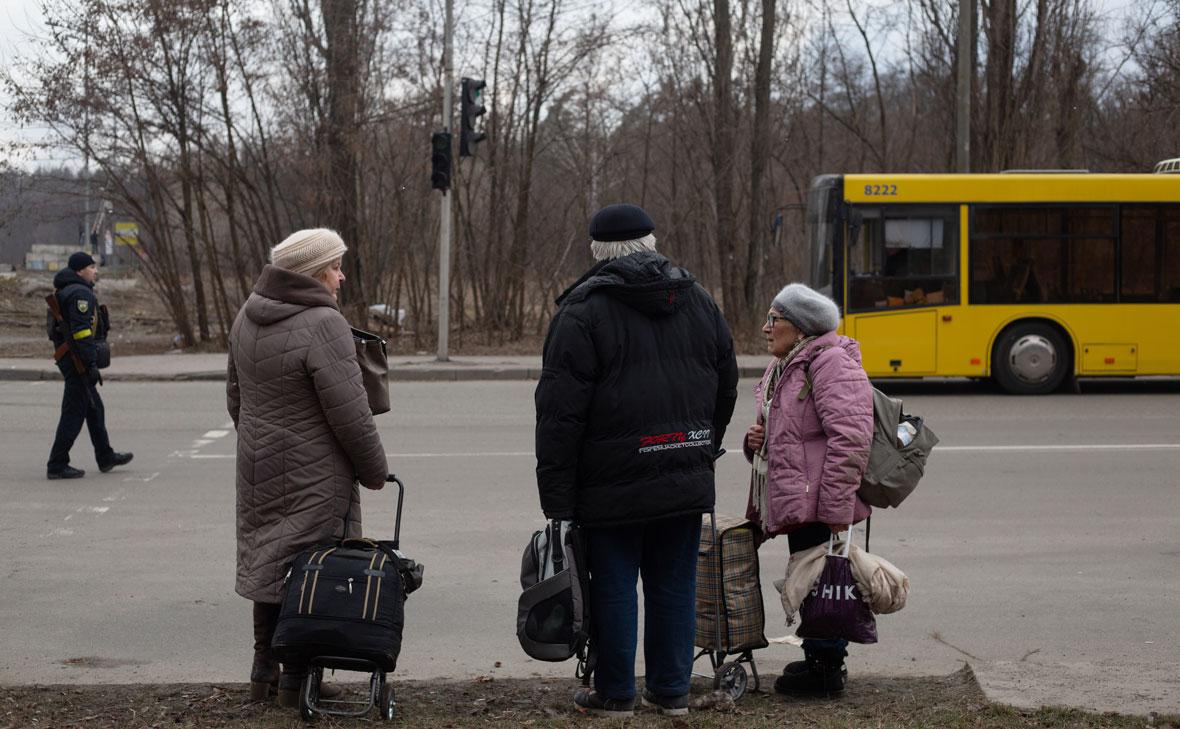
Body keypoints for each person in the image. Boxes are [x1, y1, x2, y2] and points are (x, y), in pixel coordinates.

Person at [535, 203, 739, 718]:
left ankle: (616, 694)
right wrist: (701, 445)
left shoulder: (582, 312)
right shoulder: (698, 301)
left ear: (597, 252)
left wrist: (557, 499)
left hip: (610, 483)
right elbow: (727, 385)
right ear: (652, 243)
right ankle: (672, 691)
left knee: (613, 585)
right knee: (675, 584)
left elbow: (560, 415)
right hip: (683, 470)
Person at [227, 228, 388, 707]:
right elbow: (351, 414)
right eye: (336, 267)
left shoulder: (246, 314)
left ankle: (264, 673)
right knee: (304, 569)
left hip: (257, 462)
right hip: (313, 470)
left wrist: (261, 440)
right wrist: (374, 470)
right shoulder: (323, 323)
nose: (341, 276)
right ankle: (298, 681)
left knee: (268, 564)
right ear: (316, 272)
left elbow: (235, 396)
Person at [743, 282, 873, 697]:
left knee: (825, 580)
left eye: (774, 319)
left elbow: (851, 436)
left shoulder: (830, 362)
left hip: (822, 497)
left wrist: (834, 506)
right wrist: (755, 442)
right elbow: (788, 432)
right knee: (810, 578)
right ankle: (820, 658)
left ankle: (826, 668)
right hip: (800, 494)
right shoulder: (786, 364)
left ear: (800, 328)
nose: (766, 327)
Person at [46, 251, 133, 480]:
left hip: (73, 358)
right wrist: (91, 363)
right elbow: (82, 333)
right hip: (77, 361)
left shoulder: (70, 289)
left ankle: (105, 456)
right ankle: (57, 463)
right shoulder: (79, 294)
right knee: (73, 413)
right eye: (91, 267)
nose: (95, 271)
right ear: (79, 271)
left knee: (94, 409)